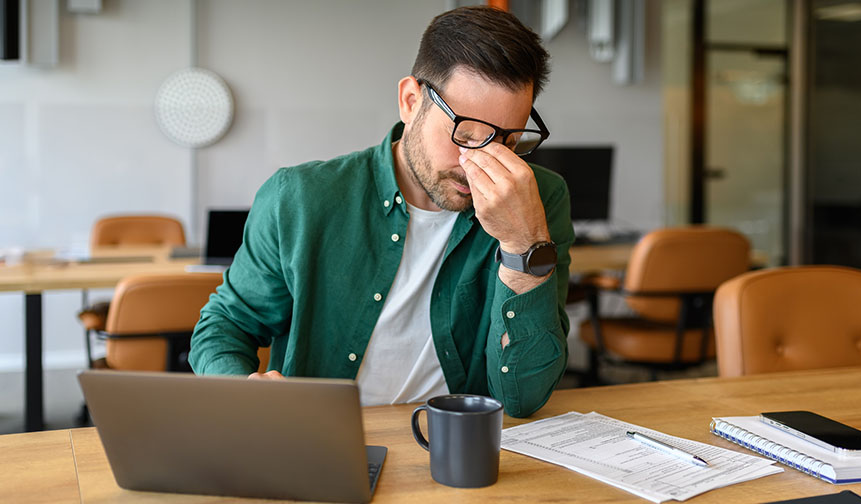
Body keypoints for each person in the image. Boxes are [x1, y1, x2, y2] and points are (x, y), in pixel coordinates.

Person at [189, 6, 573, 418]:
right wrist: (241, 389)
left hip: (460, 449)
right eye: (465, 134)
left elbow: (523, 397)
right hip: (323, 442)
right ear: (411, 101)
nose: (477, 162)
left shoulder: (537, 200)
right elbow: (224, 327)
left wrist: (523, 246)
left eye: (507, 141)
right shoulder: (300, 198)